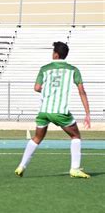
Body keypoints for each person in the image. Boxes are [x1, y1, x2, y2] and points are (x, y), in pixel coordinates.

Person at [15, 41, 91, 178]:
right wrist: (87, 113)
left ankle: (21, 166)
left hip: (44, 111)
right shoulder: (73, 70)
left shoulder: (45, 69)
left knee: (37, 138)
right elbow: (82, 92)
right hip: (60, 112)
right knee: (76, 136)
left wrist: (49, 91)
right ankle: (75, 168)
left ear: (55, 54)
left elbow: (37, 88)